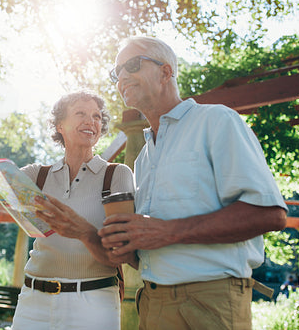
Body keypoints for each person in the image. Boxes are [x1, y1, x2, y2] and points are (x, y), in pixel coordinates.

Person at [98, 37, 288, 330]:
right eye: (116, 72)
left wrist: (167, 231)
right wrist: (129, 249)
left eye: (132, 65)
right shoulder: (144, 157)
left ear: (166, 72)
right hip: (152, 303)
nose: (121, 76)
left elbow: (270, 214)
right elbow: (157, 245)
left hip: (210, 304)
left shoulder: (217, 120)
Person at [0, 75, 135, 330]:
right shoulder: (38, 176)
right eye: (80, 113)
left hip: (93, 303)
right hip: (34, 302)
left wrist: (82, 232)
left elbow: (123, 254)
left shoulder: (116, 175)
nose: (91, 121)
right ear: (59, 126)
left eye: (97, 116)